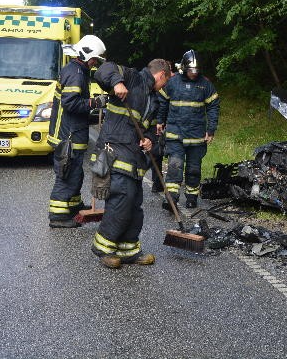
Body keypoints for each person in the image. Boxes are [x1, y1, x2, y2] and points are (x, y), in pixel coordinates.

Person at [91, 58, 172, 268]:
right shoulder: (131, 77)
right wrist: (116, 82)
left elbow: (151, 131)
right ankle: (104, 249)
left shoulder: (153, 99)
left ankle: (129, 250)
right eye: (167, 80)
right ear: (161, 75)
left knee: (134, 205)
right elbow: (104, 69)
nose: (166, 85)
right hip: (115, 151)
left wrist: (149, 141)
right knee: (121, 200)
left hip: (135, 158)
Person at [47, 35, 108, 229]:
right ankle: (57, 216)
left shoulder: (78, 70)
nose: (94, 63)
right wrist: (95, 103)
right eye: (95, 59)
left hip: (72, 133)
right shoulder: (76, 73)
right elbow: (70, 103)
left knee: (75, 174)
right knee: (66, 175)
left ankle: (73, 206)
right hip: (68, 137)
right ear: (86, 55)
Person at [156, 50, 219, 209]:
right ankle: (171, 199)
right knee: (174, 167)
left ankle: (192, 197)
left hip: (197, 137)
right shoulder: (172, 82)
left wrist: (211, 130)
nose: (194, 73)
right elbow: (163, 102)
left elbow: (213, 107)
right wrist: (159, 121)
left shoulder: (205, 84)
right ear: (184, 67)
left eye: (196, 70)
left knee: (194, 169)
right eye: (191, 70)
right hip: (175, 134)